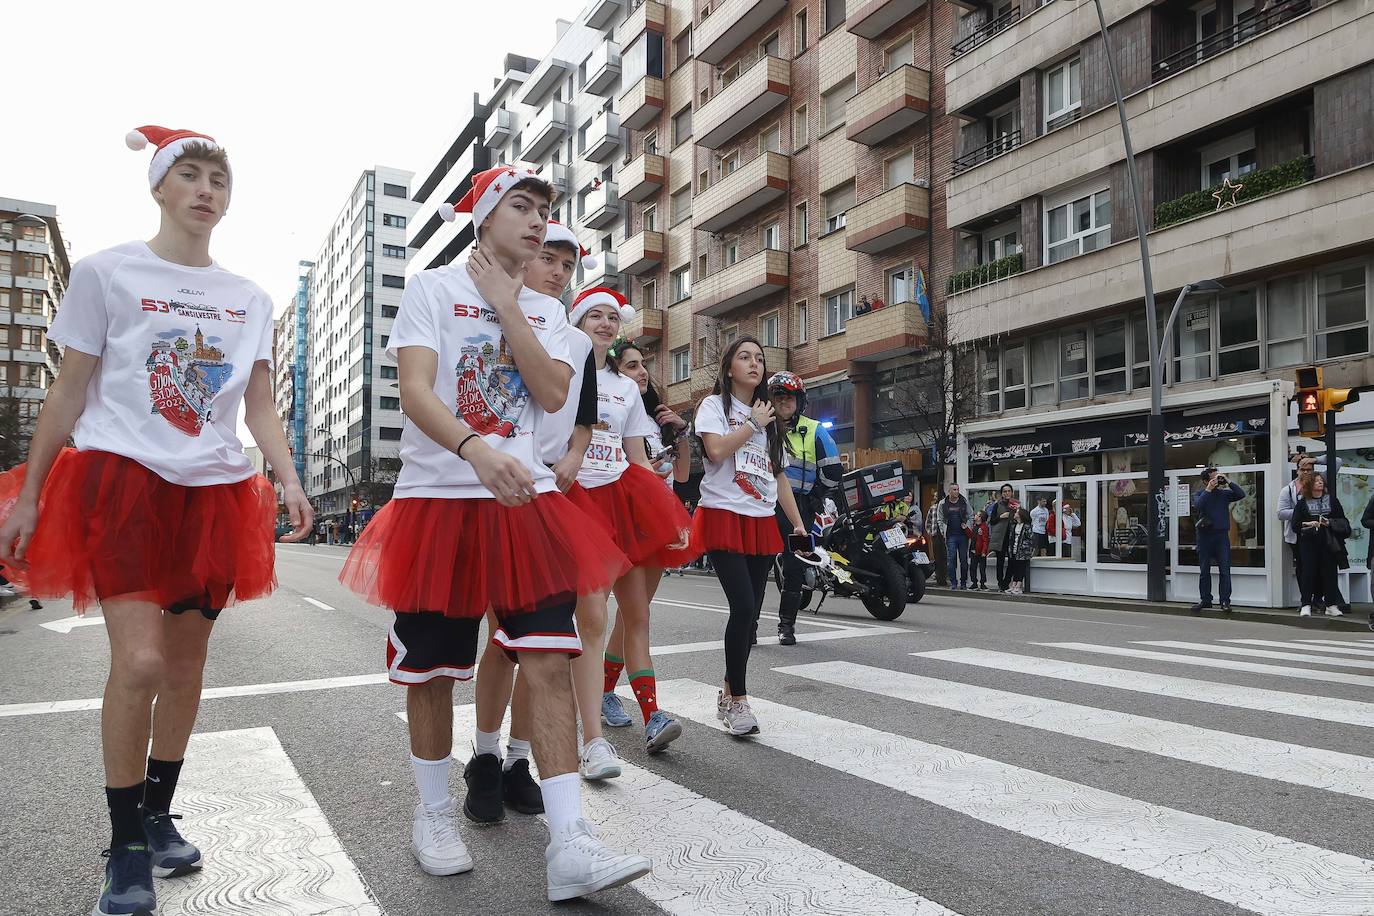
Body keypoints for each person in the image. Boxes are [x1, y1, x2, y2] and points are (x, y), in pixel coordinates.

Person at [0, 126, 314, 916]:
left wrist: (288, 477)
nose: (208, 189)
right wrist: (32, 492)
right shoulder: (107, 273)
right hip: (122, 482)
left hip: (212, 493)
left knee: (184, 668)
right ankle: (126, 844)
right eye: (192, 174)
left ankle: (159, 812)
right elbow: (68, 391)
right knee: (138, 664)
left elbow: (259, 404)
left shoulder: (251, 297)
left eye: (220, 178)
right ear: (160, 187)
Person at [337, 166, 650, 901]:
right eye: (523, 206)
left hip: (527, 505)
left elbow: (548, 395)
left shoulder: (557, 324)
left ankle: (571, 842)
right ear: (483, 218)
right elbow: (415, 391)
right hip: (441, 498)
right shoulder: (432, 290)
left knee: (547, 658)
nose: (539, 221)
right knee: (436, 671)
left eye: (546, 210)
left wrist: (511, 306)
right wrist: (476, 451)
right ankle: (434, 813)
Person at [467, 220, 593, 824]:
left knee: (542, 644)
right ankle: (485, 756)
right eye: (549, 259)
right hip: (481, 488)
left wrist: (569, 459)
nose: (557, 273)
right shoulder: (477, 308)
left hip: (542, 493)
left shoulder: (569, 335)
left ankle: (519, 759)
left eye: (567, 266)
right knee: (501, 638)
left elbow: (576, 410)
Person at [560, 289, 692, 765]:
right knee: (591, 618)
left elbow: (636, 459)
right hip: (574, 503)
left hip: (621, 500)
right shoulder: (561, 371)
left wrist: (667, 517)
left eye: (612, 317)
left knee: (637, 614)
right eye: (594, 315)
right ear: (577, 322)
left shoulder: (624, 389)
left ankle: (653, 713)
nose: (604, 323)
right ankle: (589, 729)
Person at [689, 337, 806, 736]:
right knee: (741, 606)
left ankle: (727, 691)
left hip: (760, 518)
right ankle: (738, 700)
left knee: (752, 615)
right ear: (729, 368)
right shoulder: (715, 406)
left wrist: (798, 523)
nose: (754, 364)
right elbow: (717, 451)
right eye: (745, 357)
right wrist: (751, 423)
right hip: (724, 513)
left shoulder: (770, 417)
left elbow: (779, 476)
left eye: (759, 358)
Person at [602, 339, 693, 726]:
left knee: (630, 618)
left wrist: (681, 433)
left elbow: (684, 476)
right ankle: (650, 714)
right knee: (633, 618)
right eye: (631, 365)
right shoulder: (610, 412)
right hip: (623, 523)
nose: (641, 372)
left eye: (643, 366)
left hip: (656, 526)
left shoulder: (654, 421)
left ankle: (606, 693)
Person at [766, 370, 842, 645]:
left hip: (799, 506)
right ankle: (748, 626)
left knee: (795, 567)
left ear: (801, 400)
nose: (785, 401)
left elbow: (833, 470)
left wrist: (815, 494)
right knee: (757, 566)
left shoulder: (814, 429)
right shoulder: (760, 426)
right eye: (779, 396)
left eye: (791, 397)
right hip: (762, 504)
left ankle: (787, 627)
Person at [1291, 472, 1350, 617]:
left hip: (1328, 542)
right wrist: (1307, 523)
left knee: (1330, 573)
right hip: (1309, 543)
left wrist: (1328, 522)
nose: (1320, 483)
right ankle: (1306, 604)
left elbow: (1342, 520)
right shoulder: (1302, 503)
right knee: (1308, 573)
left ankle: (1331, 605)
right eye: (1316, 481)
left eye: (1321, 481)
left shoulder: (1332, 501)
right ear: (1310, 485)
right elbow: (1295, 525)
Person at [1191, 466, 1244, 613]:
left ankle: (1225, 601)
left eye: (1218, 477)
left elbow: (1241, 494)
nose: (1216, 480)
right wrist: (1209, 489)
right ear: (1205, 481)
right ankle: (1205, 600)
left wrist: (1228, 481)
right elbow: (1199, 505)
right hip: (1204, 536)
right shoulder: (1200, 493)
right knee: (1204, 570)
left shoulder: (1224, 494)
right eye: (1213, 478)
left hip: (1221, 535)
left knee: (1225, 570)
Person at [935, 483, 972, 589]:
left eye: (957, 489)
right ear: (949, 491)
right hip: (950, 536)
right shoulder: (943, 503)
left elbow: (970, 515)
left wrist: (967, 526)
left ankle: (963, 582)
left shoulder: (963, 501)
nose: (956, 491)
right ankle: (953, 582)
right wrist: (942, 531)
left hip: (963, 536)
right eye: (954, 489)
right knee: (951, 560)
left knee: (964, 560)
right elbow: (940, 518)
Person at [987, 483, 1017, 591]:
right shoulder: (997, 504)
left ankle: (1006, 581)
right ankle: (1000, 582)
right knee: (1000, 561)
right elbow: (992, 521)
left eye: (1009, 491)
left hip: (1012, 536)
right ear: (1001, 494)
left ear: (1012, 492)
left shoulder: (1016, 504)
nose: (1007, 493)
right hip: (1001, 537)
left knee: (1012, 560)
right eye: (1005, 491)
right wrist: (1001, 516)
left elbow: (1022, 518)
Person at [1006, 503, 1035, 595]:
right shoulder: (1014, 525)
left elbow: (1030, 539)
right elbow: (1011, 538)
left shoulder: (1026, 526)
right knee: (1015, 567)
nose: (1015, 514)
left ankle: (1019, 586)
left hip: (1023, 551)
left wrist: (1025, 549)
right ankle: (1013, 585)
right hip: (1014, 550)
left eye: (1017, 512)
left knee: (1021, 568)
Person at [926, 492, 948, 587]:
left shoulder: (946, 507)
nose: (934, 498)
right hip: (935, 535)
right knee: (937, 557)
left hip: (946, 535)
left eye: (936, 496)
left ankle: (945, 577)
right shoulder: (933, 508)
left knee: (945, 557)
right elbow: (928, 521)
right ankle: (939, 579)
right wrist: (930, 532)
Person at [970, 510, 991, 590]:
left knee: (982, 568)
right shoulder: (974, 526)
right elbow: (971, 536)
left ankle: (982, 583)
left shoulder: (984, 527)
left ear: (980, 518)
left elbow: (985, 540)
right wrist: (966, 529)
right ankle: (974, 583)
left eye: (977, 515)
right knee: (973, 567)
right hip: (973, 550)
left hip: (980, 551)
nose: (975, 516)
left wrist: (984, 551)